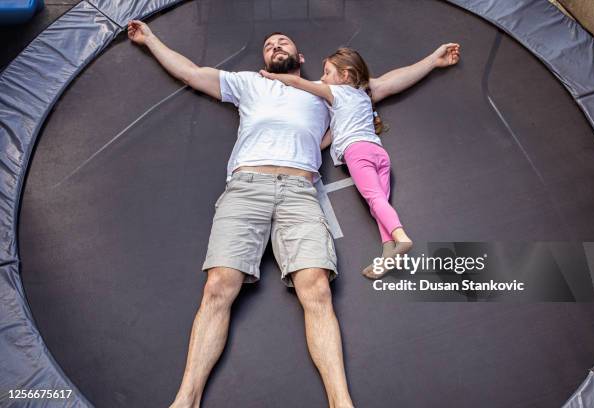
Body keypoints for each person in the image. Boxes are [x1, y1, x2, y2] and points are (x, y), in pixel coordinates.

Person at [127, 18, 457, 407]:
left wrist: (432, 60)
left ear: (300, 57)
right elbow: (194, 73)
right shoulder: (249, 83)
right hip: (246, 187)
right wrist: (150, 40)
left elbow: (383, 84)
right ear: (265, 59)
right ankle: (186, 400)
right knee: (218, 286)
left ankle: (341, 403)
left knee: (316, 288)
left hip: (300, 191)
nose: (275, 46)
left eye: (282, 42)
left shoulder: (328, 92)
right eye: (269, 45)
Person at [260, 45, 460, 279]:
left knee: (375, 200)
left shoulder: (336, 93)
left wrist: (272, 76)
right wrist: (312, 146)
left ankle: (401, 237)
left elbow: (300, 84)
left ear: (344, 76)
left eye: (326, 72)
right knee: (380, 205)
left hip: (357, 152)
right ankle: (388, 254)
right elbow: (336, 132)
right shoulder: (362, 96)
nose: (323, 78)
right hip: (378, 152)